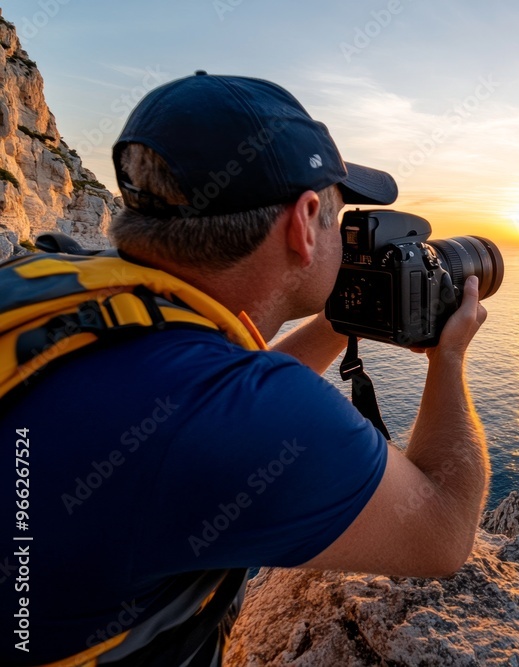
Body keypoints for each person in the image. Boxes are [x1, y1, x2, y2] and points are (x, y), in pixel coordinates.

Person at [0, 72, 490, 666]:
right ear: (304, 223)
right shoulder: (235, 415)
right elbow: (443, 533)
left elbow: (221, 398)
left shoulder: (54, 280)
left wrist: (346, 317)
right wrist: (449, 357)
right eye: (339, 217)